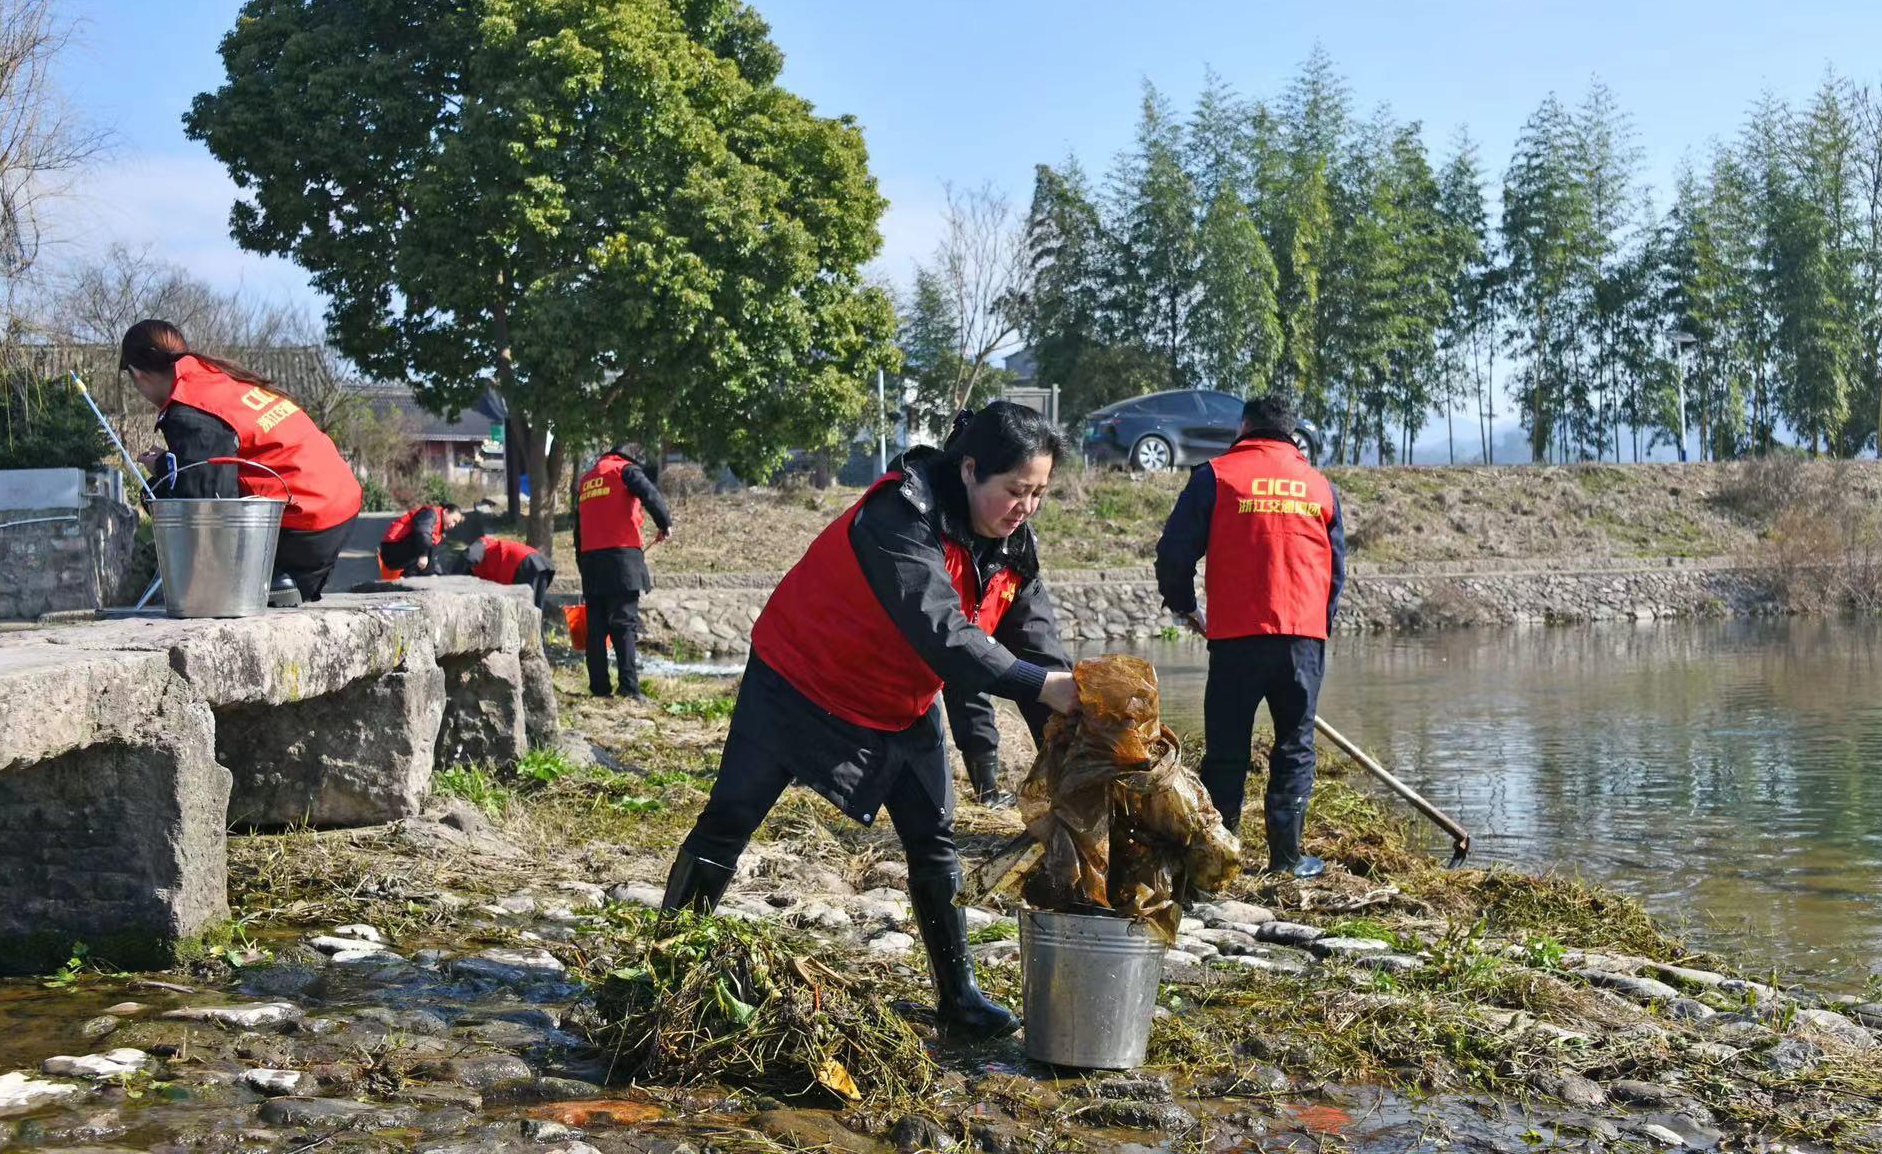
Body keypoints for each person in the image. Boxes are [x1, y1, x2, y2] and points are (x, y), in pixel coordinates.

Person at [661, 402, 1076, 1038]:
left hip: (896, 698)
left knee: (934, 838)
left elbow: (1035, 643)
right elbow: (945, 634)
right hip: (799, 679)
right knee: (731, 817)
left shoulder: (1012, 544)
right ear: (969, 470)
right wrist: (1042, 686)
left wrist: (1070, 724)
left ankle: (958, 997)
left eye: (1040, 494)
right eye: (1016, 490)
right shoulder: (898, 515)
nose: (1026, 507)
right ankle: (668, 966)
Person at [1154, 394, 1346, 879]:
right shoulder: (1319, 486)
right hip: (1302, 638)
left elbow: (1174, 553)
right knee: (1295, 745)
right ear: (1293, 432)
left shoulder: (1216, 477)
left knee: (1227, 748)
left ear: (1243, 427)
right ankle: (1286, 859)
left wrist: (1182, 606)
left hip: (1236, 638)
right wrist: (1318, 625)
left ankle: (1223, 856)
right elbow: (1335, 570)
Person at [120, 319, 363, 605]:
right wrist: (168, 467)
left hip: (305, 524)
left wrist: (159, 479)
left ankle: (267, 583)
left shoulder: (190, 409)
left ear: (137, 374)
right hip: (337, 503)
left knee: (205, 589)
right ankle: (278, 582)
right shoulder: (221, 379)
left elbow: (208, 509)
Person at [574, 444, 672, 699]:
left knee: (596, 629)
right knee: (624, 625)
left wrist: (582, 565)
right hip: (621, 560)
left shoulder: (587, 480)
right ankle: (629, 689)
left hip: (591, 562)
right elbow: (650, 495)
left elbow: (578, 529)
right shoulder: (624, 471)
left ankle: (599, 689)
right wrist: (665, 523)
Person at [464, 533, 555, 611]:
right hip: (540, 563)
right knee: (537, 609)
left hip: (525, 564)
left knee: (526, 610)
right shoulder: (490, 555)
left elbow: (468, 556)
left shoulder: (482, 544)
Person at [378, 502, 462, 579]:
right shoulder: (430, 514)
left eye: (456, 524)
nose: (453, 525)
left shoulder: (438, 529)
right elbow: (422, 531)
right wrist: (423, 555)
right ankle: (411, 575)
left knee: (431, 548)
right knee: (426, 541)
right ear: (446, 511)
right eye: (453, 520)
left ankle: (416, 575)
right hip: (392, 549)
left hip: (399, 549)